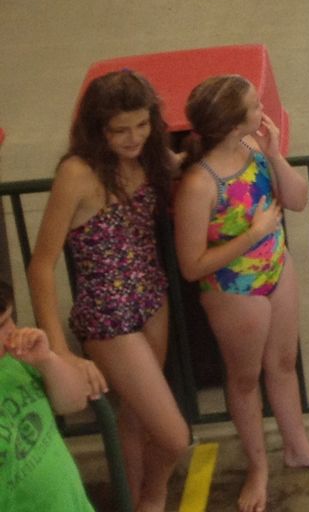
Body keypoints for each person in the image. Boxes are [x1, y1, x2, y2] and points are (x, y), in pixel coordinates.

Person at [173, 77, 309, 512]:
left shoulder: (253, 149)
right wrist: (252, 235)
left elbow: (298, 200)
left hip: (277, 267)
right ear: (233, 124)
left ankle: (298, 447)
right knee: (245, 378)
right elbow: (192, 265)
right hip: (235, 290)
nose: (263, 110)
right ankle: (258, 467)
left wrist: (274, 154)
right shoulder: (200, 184)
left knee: (284, 365)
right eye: (255, 106)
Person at [27, 70, 189, 512]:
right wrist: (60, 350)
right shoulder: (77, 174)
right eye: (120, 130)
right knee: (175, 436)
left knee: (135, 417)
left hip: (152, 300)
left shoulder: (148, 156)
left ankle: (132, 499)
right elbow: (41, 266)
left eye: (142, 124)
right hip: (108, 319)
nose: (134, 137)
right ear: (98, 129)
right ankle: (152, 500)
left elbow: (179, 161)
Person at [0, 278, 96, 512]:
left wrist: (47, 361)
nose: (12, 330)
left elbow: (75, 401)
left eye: (10, 318)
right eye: (1, 325)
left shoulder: (14, 361)